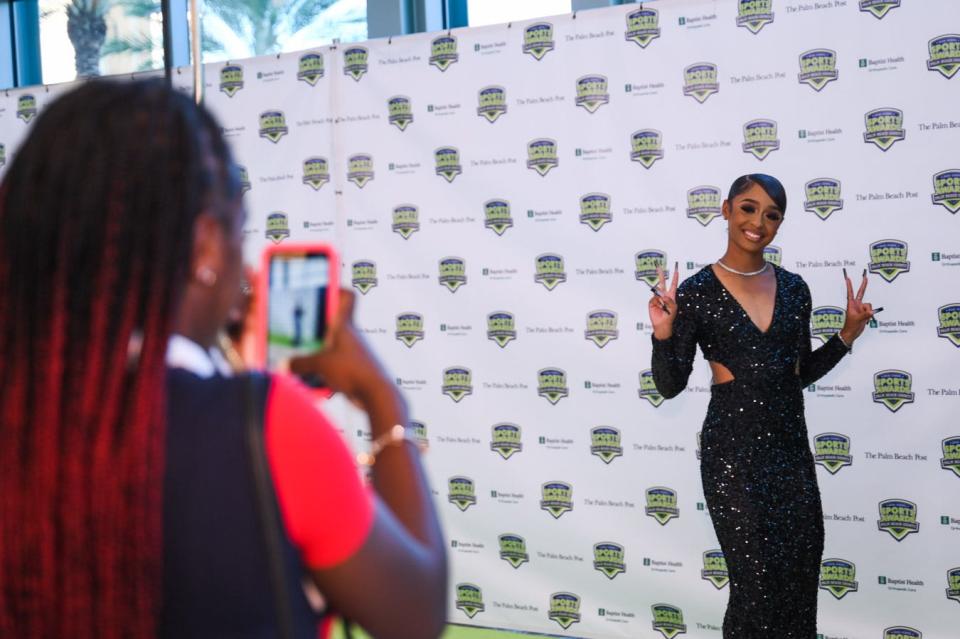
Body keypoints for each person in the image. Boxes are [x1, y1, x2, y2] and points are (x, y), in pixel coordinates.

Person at [0, 79, 446, 639]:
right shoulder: (266, 425)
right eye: (240, 233)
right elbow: (415, 614)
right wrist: (382, 396)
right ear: (207, 249)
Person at [648, 174, 873, 637]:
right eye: (748, 208)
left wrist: (847, 334)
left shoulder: (794, 289)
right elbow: (670, 385)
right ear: (727, 210)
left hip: (791, 455)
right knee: (756, 587)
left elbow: (798, 374)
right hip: (734, 458)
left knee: (798, 577)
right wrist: (663, 332)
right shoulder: (696, 292)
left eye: (772, 215)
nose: (758, 222)